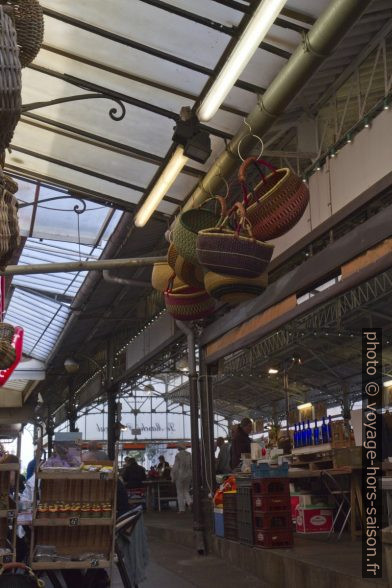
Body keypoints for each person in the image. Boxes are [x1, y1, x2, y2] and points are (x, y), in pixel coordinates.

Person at [171, 443, 192, 513]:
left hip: (180, 475)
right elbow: (192, 465)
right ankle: (190, 502)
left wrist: (172, 477)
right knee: (186, 490)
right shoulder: (189, 455)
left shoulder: (178, 455)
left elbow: (175, 467)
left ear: (179, 448)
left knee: (179, 492)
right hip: (189, 475)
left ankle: (182, 509)